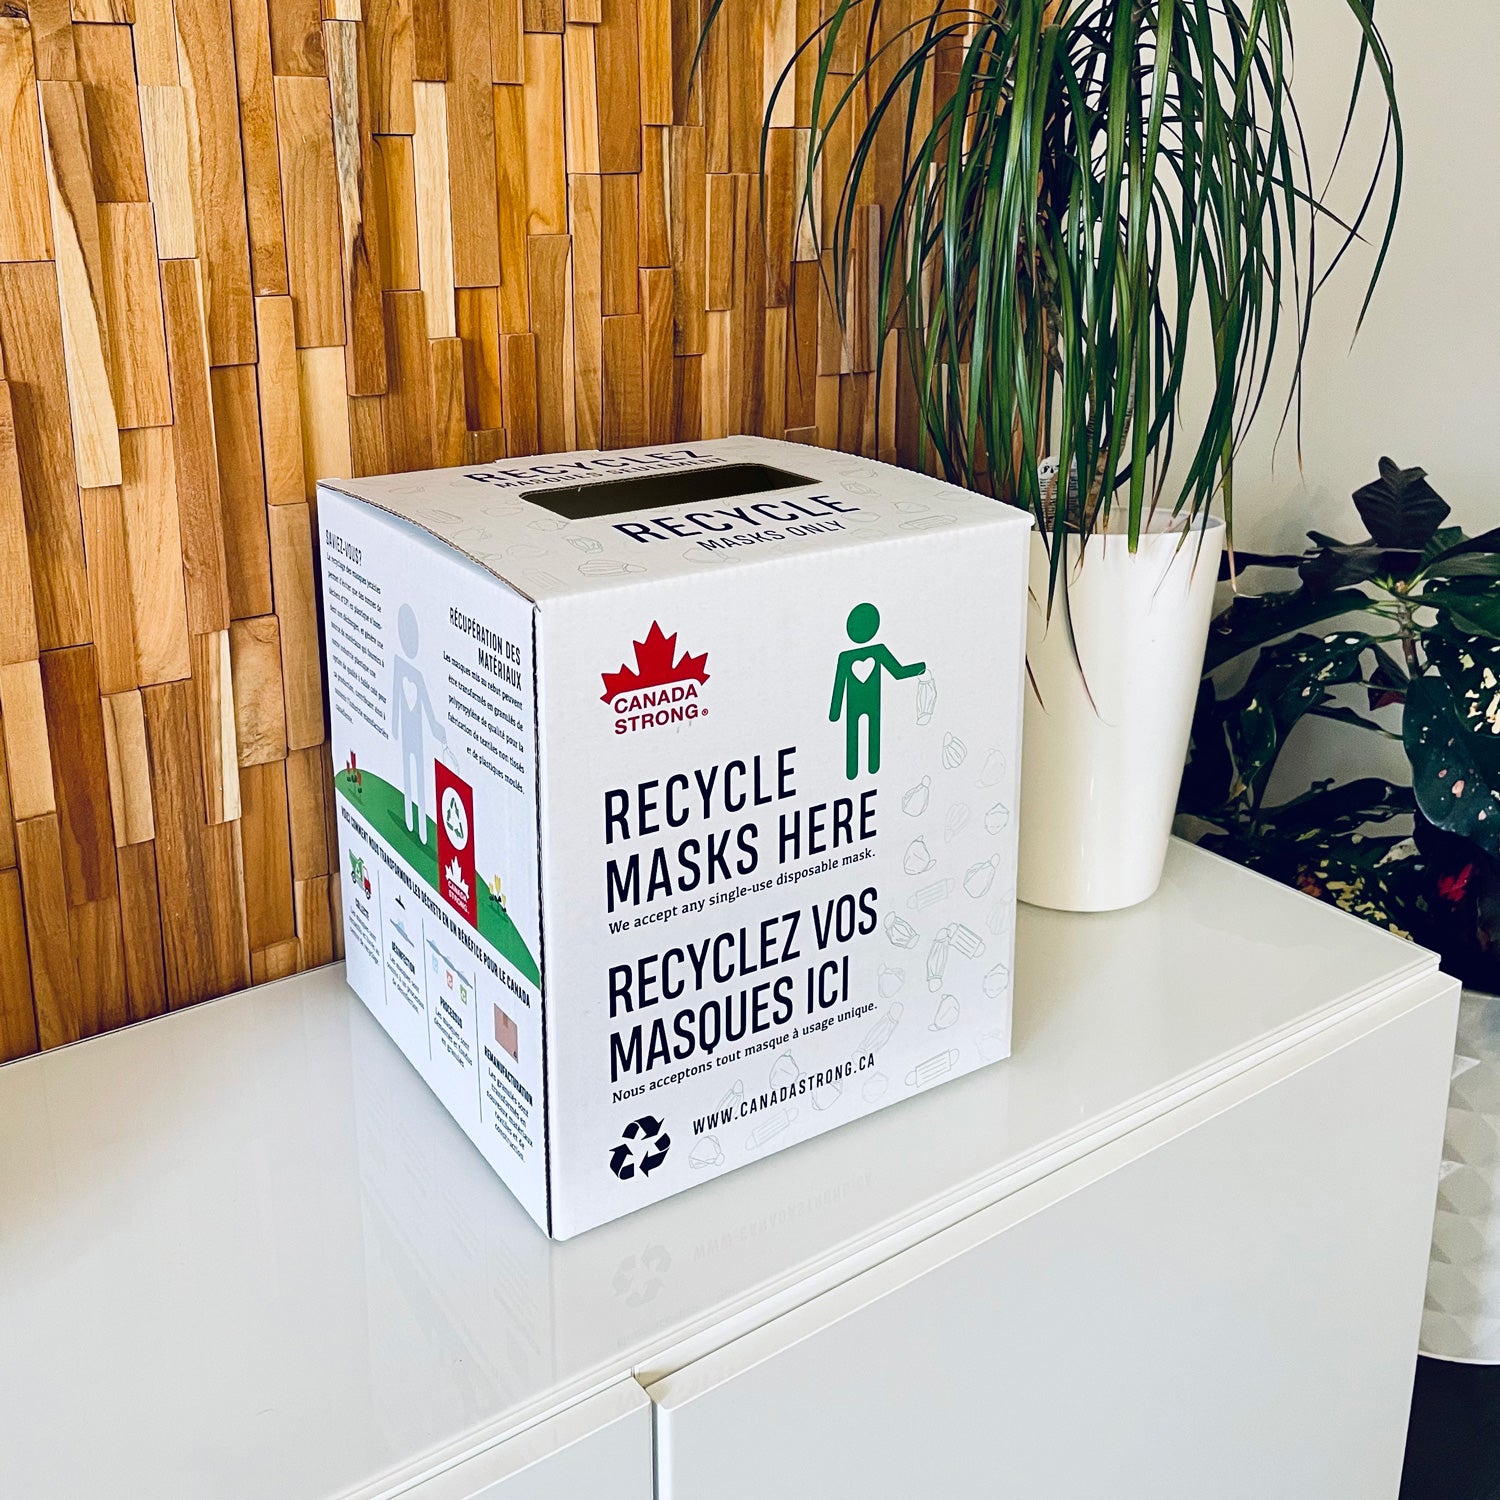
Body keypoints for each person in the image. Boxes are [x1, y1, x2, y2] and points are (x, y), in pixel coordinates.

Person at [829, 603, 925, 779]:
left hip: (872, 702)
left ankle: (872, 768)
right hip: (856, 704)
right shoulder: (847, 657)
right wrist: (834, 712)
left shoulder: (877, 651)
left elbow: (897, 671)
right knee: (854, 733)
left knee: (873, 731)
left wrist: (918, 669)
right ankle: (853, 771)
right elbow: (839, 684)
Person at [390, 603, 448, 842]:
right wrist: (393, 726)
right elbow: (395, 699)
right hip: (406, 733)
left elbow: (427, 706)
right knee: (408, 777)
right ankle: (408, 820)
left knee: (421, 781)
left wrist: (437, 731)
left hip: (419, 735)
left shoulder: (418, 676)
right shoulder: (399, 667)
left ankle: (423, 831)